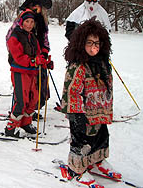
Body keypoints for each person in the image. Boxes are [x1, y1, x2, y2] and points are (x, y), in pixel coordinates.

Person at [60, 18, 121, 187]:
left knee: (101, 137)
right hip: (82, 114)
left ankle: (98, 159)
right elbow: (72, 91)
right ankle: (76, 169)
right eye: (89, 43)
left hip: (99, 112)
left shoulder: (102, 63)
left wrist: (106, 109)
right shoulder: (78, 66)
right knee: (81, 142)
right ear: (81, 43)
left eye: (97, 42)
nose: (94, 47)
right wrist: (76, 115)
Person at [4, 10, 52, 138]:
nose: (29, 24)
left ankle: (26, 123)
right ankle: (11, 127)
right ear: (21, 22)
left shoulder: (32, 37)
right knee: (22, 99)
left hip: (32, 72)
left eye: (32, 22)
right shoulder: (15, 36)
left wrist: (44, 62)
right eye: (27, 21)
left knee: (33, 98)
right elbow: (18, 56)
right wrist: (34, 60)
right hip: (20, 72)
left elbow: (37, 53)